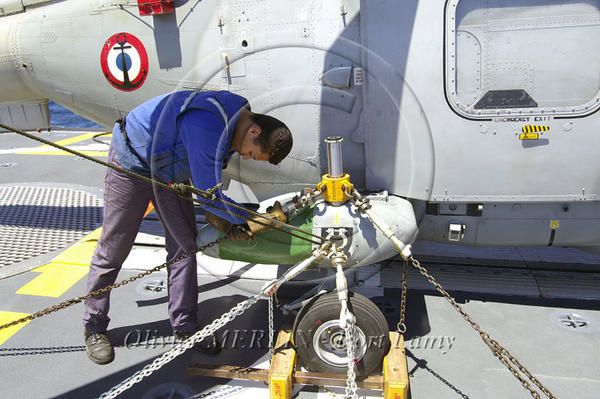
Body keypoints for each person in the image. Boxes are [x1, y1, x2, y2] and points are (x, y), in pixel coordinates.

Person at [83, 90, 293, 364]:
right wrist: (250, 220)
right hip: (131, 163)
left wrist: (225, 217)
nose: (247, 157)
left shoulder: (237, 124)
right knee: (113, 249)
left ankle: (185, 327)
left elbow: (210, 187)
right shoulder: (208, 125)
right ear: (254, 130)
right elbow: (210, 195)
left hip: (171, 173)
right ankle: (94, 327)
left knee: (184, 246)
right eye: (252, 154)